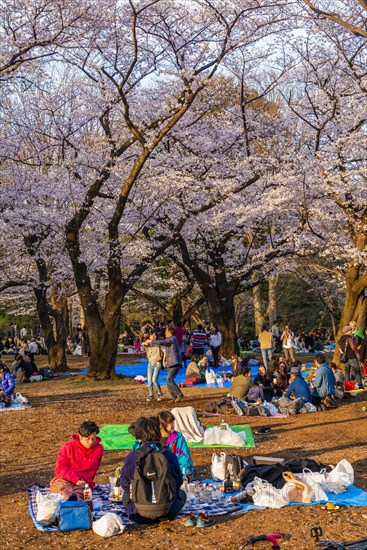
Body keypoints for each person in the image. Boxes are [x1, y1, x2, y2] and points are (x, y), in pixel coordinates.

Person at [120, 417, 186, 524]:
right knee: (182, 494)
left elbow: (124, 484)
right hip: (167, 512)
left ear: (138, 437)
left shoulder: (133, 457)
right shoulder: (169, 455)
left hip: (138, 514)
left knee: (125, 496)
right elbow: (178, 481)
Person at [50, 420, 104, 500]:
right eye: (88, 439)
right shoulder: (68, 447)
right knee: (63, 490)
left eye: (93, 438)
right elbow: (60, 469)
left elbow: (92, 472)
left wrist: (85, 483)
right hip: (64, 479)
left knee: (78, 496)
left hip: (83, 483)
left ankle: (74, 506)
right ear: (80, 436)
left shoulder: (99, 449)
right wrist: (76, 480)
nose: (90, 442)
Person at [147, 326, 184, 402]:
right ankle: (174, 396)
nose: (165, 333)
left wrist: (152, 341)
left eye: (166, 331)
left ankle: (179, 395)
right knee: (168, 380)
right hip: (170, 363)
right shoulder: (169, 340)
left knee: (169, 379)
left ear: (170, 332)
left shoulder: (172, 339)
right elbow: (162, 345)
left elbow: (163, 342)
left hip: (174, 363)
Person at [158, 411, 194, 479]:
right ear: (161, 425)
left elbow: (184, 458)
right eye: (170, 423)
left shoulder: (178, 438)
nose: (173, 425)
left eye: (173, 422)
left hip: (177, 472)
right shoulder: (155, 439)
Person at [142, 331, 164, 401]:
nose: (153, 336)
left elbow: (164, 351)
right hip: (150, 364)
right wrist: (146, 342)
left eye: (155, 334)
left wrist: (163, 361)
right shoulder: (148, 344)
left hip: (157, 363)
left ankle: (160, 394)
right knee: (149, 381)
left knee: (154, 380)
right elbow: (143, 344)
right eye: (152, 335)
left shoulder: (158, 343)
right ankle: (151, 395)